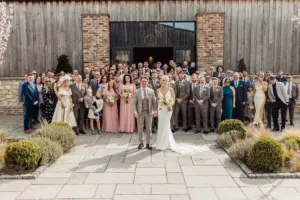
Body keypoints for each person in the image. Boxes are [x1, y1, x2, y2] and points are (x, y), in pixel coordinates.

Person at [155, 75, 209, 154]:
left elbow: (173, 99)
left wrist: (170, 105)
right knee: (161, 125)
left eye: (166, 81)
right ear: (161, 81)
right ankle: (160, 143)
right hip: (161, 109)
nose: (164, 82)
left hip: (168, 110)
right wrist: (161, 103)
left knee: (166, 125)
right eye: (163, 80)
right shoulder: (157, 90)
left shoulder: (170, 89)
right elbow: (157, 100)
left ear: (168, 82)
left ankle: (167, 143)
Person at [134, 76, 157, 150]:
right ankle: (141, 143)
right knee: (140, 128)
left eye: (145, 81)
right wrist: (135, 112)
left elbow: (154, 102)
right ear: (141, 82)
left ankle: (148, 143)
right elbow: (134, 103)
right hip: (140, 112)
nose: (144, 83)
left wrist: (155, 111)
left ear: (147, 82)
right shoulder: (137, 91)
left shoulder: (151, 91)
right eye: (143, 81)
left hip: (149, 112)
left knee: (149, 128)